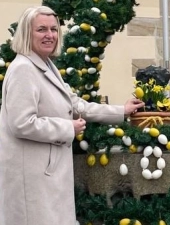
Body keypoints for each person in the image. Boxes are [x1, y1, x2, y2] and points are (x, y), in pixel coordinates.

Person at [0, 6, 145, 225]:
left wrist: (120, 111)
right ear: (27, 33)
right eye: (41, 29)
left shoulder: (44, 64)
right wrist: (67, 128)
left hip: (45, 175)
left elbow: (75, 104)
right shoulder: (24, 69)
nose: (50, 35)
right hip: (32, 179)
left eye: (54, 29)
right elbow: (21, 124)